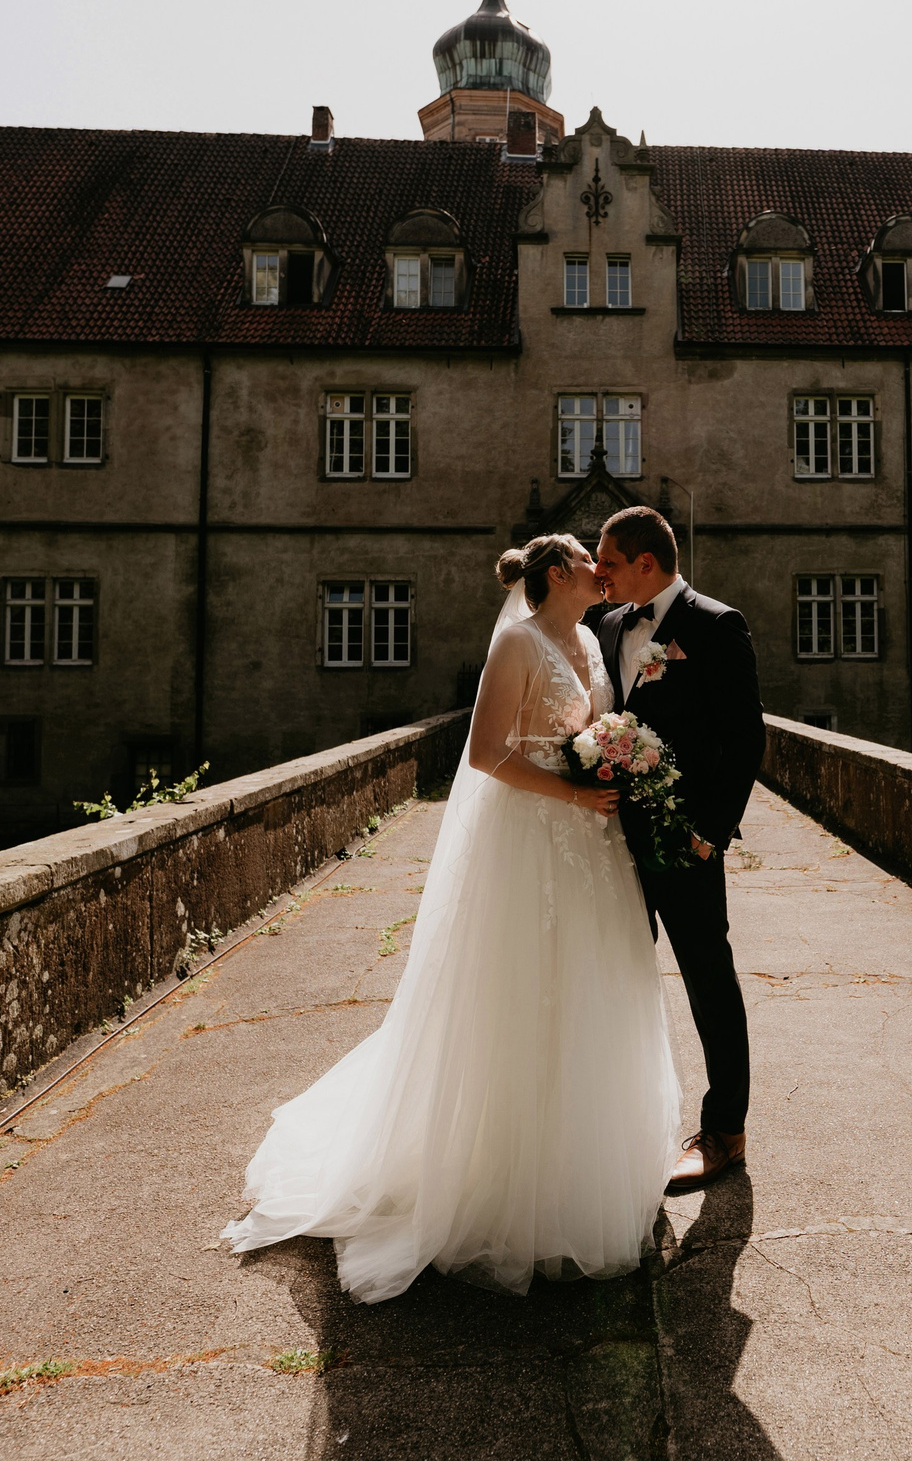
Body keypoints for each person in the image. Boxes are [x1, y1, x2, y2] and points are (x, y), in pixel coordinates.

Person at [221, 534, 682, 1302]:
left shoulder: (590, 643)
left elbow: (591, 729)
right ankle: (504, 1182)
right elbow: (483, 754)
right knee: (519, 1001)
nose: (601, 571)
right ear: (559, 574)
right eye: (586, 558)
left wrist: (613, 755)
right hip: (532, 839)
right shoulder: (519, 643)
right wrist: (573, 793)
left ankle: (576, 1167)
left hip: (590, 848)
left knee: (588, 998)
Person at [591, 506, 766, 1195]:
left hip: (682, 840)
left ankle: (725, 1130)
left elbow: (744, 739)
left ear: (644, 562)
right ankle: (612, 1123)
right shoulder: (605, 625)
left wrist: (710, 832)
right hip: (605, 841)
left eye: (606, 560)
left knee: (706, 979)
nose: (596, 571)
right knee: (610, 977)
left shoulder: (716, 624)